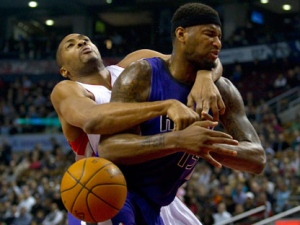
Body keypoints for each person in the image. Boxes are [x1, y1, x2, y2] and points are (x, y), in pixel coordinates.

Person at [99, 2, 266, 224]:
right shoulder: (141, 74)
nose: (217, 43)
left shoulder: (223, 89)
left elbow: (257, 159)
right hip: (118, 191)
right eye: (209, 34)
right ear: (181, 34)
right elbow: (109, 148)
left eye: (219, 37)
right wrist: (178, 140)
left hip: (156, 205)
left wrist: (207, 143)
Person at [51, 33, 238, 225]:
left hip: (160, 191)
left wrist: (205, 76)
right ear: (64, 71)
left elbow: (203, 59)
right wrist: (166, 106)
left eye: (85, 39)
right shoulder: (67, 89)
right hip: (109, 190)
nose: (82, 42)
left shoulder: (136, 63)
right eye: (70, 45)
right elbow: (92, 120)